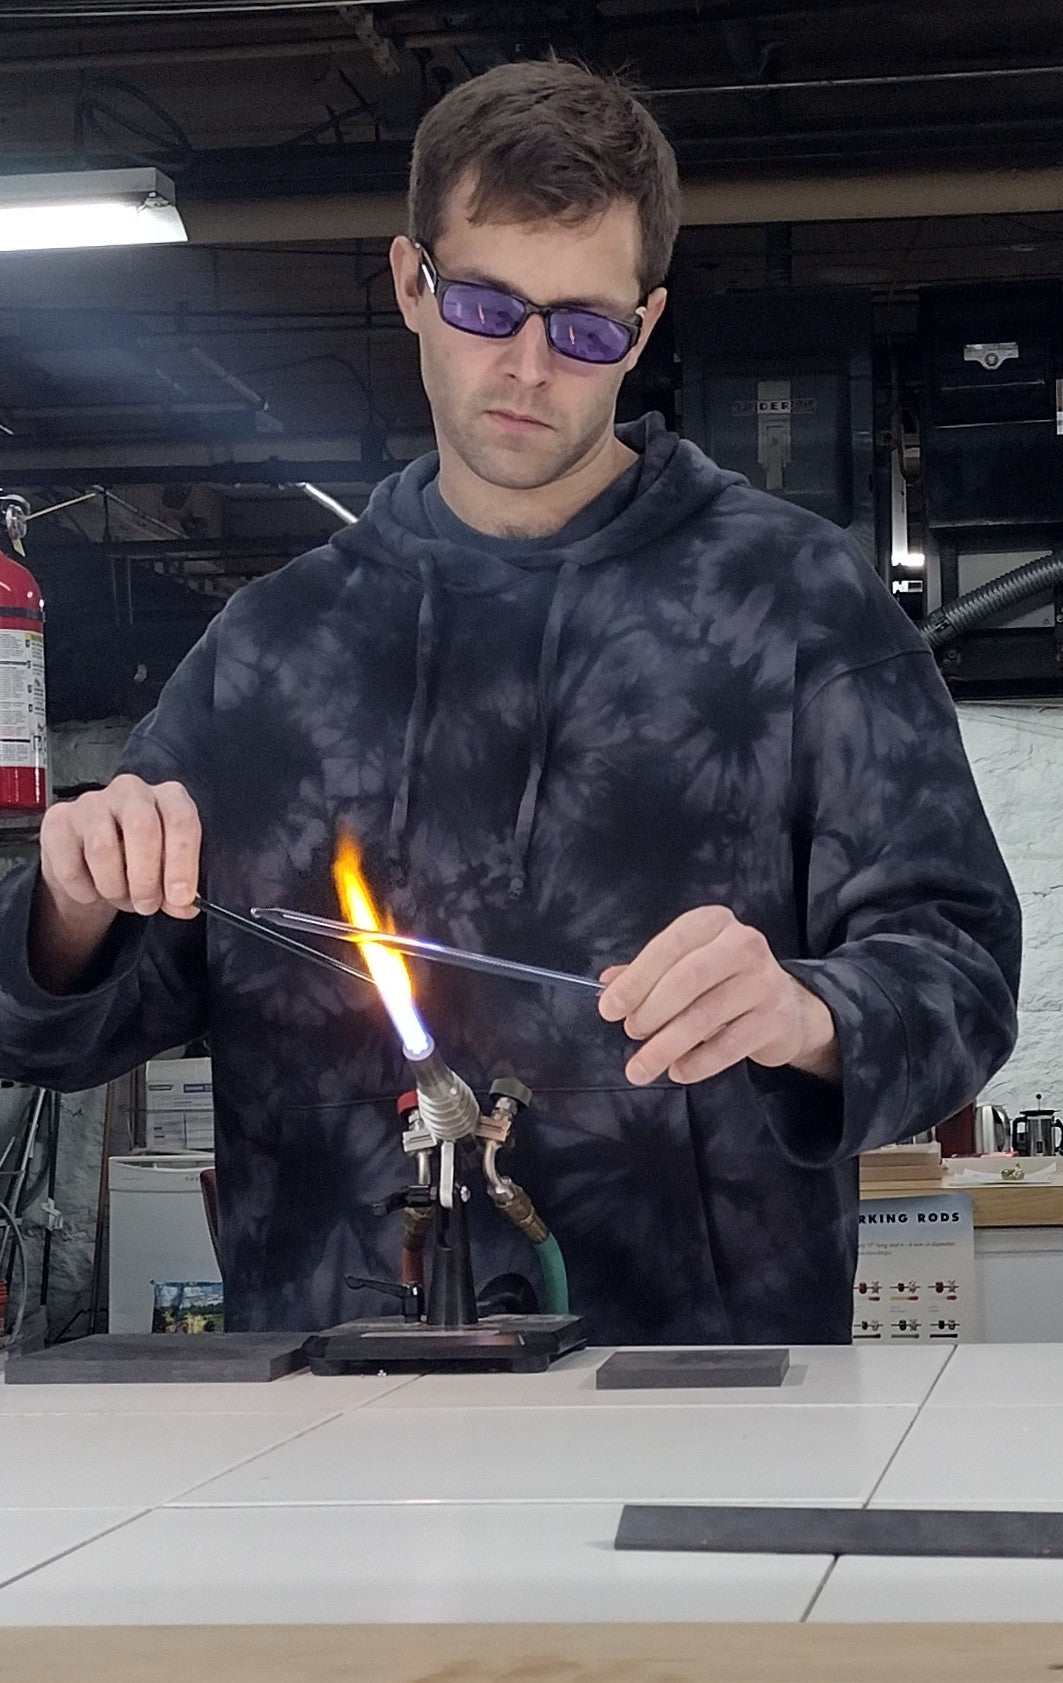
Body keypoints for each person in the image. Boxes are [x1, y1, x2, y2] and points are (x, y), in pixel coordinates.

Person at [0, 59, 1019, 1346]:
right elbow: (58, 1025)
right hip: (331, 1402)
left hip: (700, 1383)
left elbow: (961, 970)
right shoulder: (275, 650)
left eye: (584, 328)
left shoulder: (797, 604)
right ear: (409, 284)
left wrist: (812, 1014)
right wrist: (73, 904)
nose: (530, 366)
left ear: (642, 332)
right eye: (486, 305)